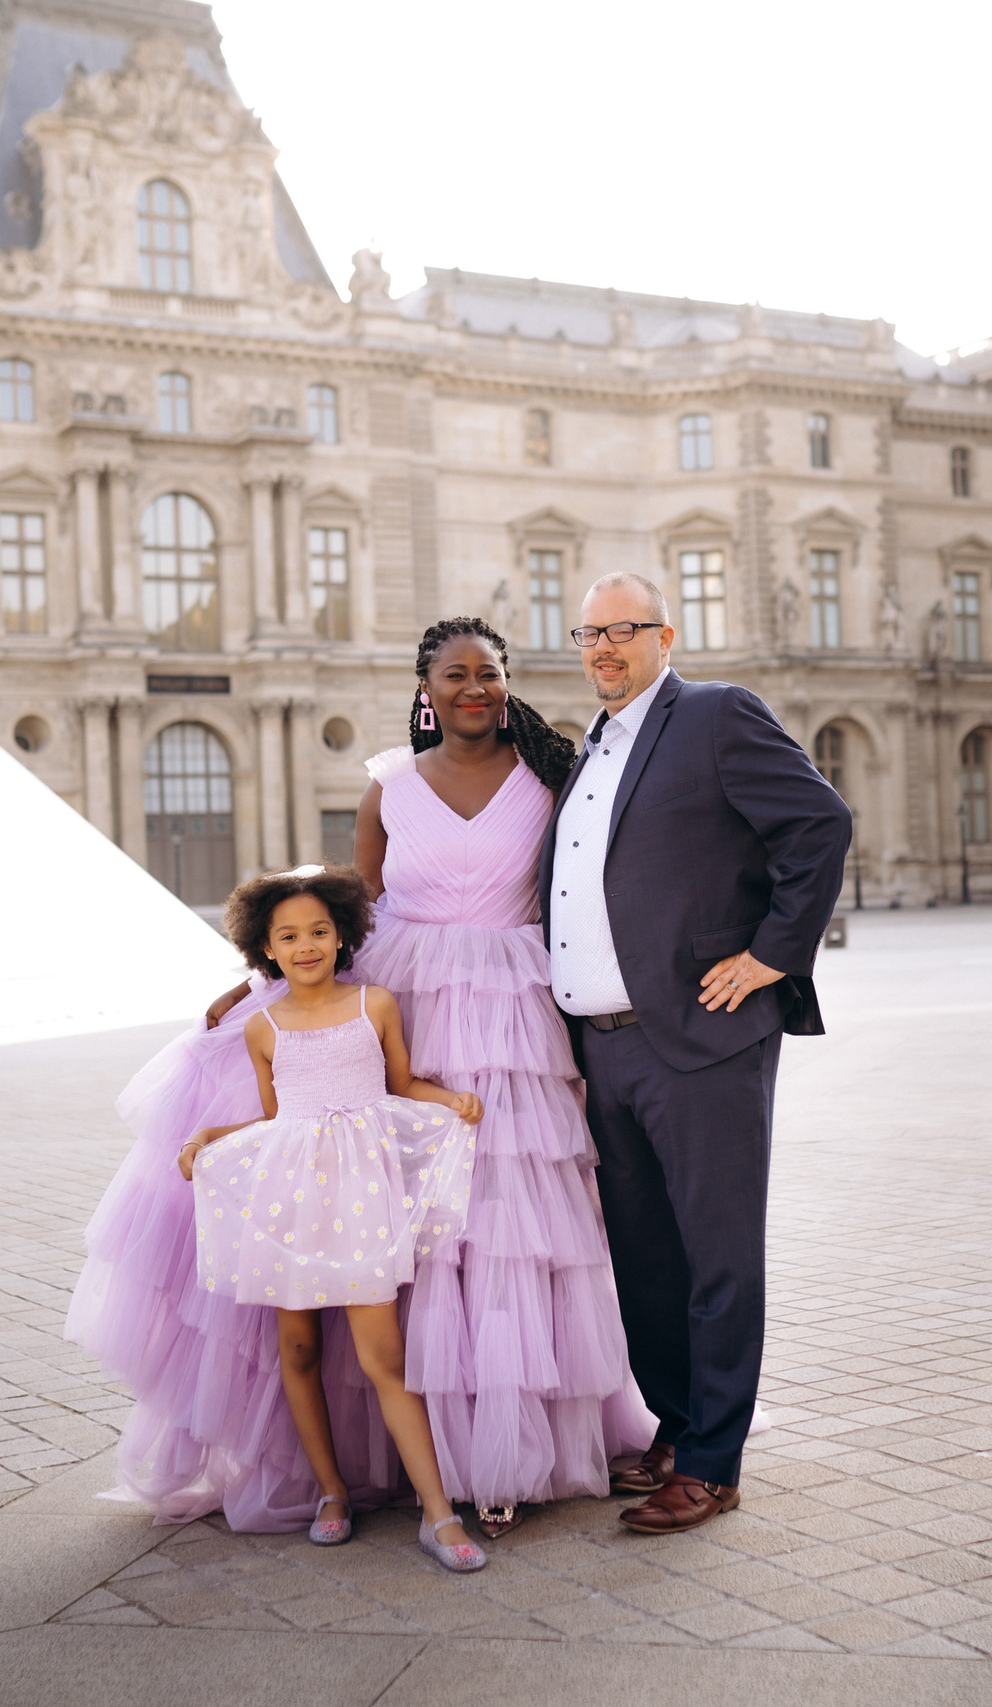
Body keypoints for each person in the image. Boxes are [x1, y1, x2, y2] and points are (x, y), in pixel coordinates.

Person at [204, 618, 655, 1536]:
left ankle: (507, 1453)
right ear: (427, 687)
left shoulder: (551, 777)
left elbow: (591, 886)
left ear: (506, 681)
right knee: (408, 1230)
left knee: (507, 1228)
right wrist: (258, 982)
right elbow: (351, 911)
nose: (474, 689)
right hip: (406, 1012)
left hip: (517, 1021)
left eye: (488, 674)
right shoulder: (388, 784)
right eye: (455, 675)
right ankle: (417, 1459)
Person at [544, 572, 851, 1534]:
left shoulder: (714, 716)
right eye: (588, 633)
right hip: (603, 1051)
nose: (603, 648)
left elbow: (820, 822)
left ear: (664, 636)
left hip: (701, 1041)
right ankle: (676, 1428)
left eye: (622, 631)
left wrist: (769, 955)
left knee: (718, 1256)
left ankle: (714, 1461)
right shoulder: (589, 747)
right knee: (645, 1257)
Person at [179, 868, 488, 1570]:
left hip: (362, 1199)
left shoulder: (375, 1003)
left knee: (385, 1357)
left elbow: (401, 1083)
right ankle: (330, 1491)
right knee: (299, 1350)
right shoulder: (262, 1026)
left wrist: (449, 1100)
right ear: (267, 949)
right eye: (288, 936)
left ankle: (437, 1511)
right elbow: (272, 1117)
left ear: (342, 933)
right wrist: (207, 1138)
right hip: (289, 1201)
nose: (307, 944)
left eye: (318, 930)